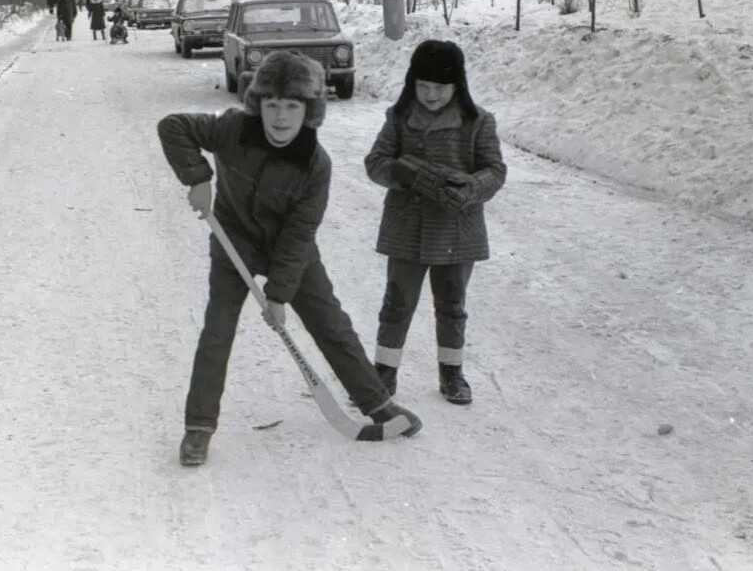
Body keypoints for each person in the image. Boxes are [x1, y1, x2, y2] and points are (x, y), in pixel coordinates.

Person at [158, 51, 422, 467]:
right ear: (258, 104)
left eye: (293, 106)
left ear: (309, 110)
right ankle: (198, 427)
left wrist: (278, 294)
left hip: (289, 250)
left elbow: (300, 235)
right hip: (234, 245)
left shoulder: (315, 165)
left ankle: (377, 404)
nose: (281, 118)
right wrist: (198, 177)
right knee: (217, 331)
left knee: (330, 322)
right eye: (272, 105)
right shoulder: (232, 130)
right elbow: (172, 126)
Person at [364, 40, 507, 405]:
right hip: (406, 227)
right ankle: (384, 372)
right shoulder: (399, 118)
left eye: (440, 87)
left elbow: (495, 170)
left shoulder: (478, 122)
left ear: (457, 85)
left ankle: (452, 373)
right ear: (412, 83)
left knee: (452, 304)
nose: (430, 95)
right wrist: (405, 173)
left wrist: (473, 187)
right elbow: (375, 162)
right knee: (397, 302)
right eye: (423, 86)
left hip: (457, 229)